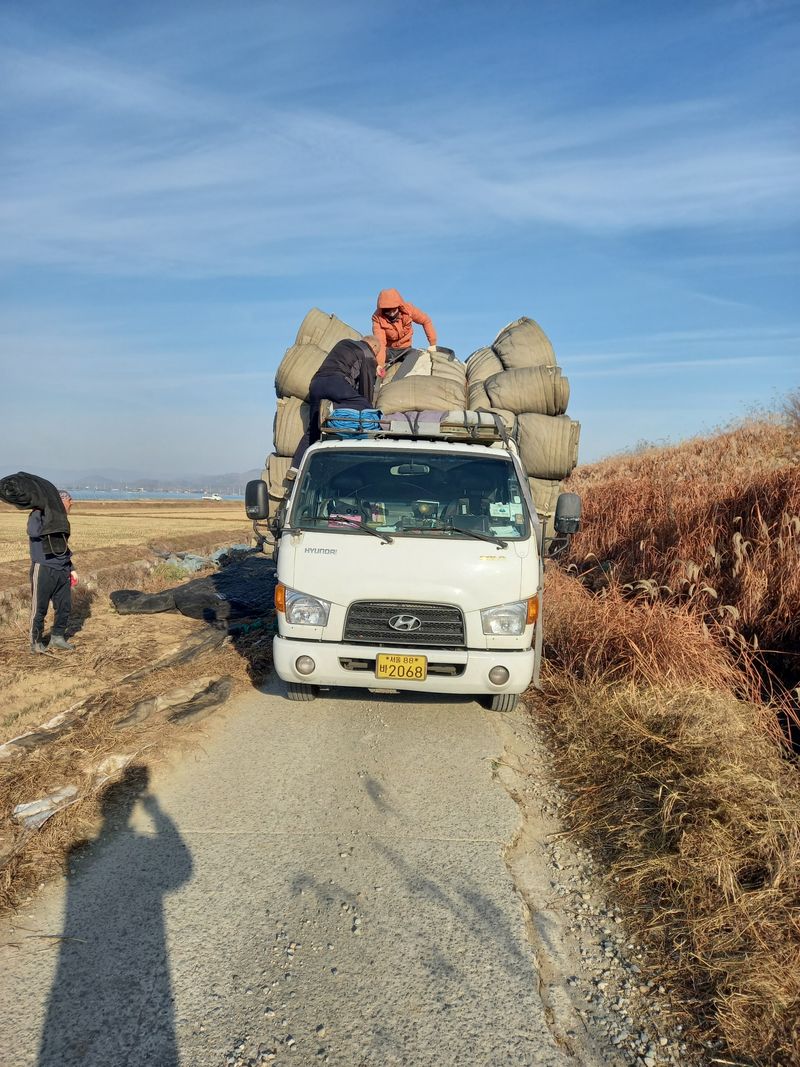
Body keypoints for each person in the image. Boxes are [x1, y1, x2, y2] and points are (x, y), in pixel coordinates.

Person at [289, 335, 380, 474]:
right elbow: (366, 388)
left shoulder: (344, 342)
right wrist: (367, 407)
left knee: (313, 428)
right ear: (373, 347)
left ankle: (295, 467)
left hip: (316, 383)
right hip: (336, 383)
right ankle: (333, 408)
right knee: (365, 406)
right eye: (376, 353)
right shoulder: (367, 353)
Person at [29, 489, 77, 653]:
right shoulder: (38, 514)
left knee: (64, 606)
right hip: (44, 568)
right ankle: (36, 642)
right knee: (39, 608)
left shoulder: (63, 521)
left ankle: (57, 637)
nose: (72, 503)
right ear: (61, 500)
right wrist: (46, 516)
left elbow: (62, 546)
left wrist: (71, 568)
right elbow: (33, 532)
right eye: (70, 499)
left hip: (62, 569)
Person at [372, 288, 437, 373]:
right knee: (372, 357)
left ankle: (398, 381)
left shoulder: (409, 310)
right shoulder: (377, 318)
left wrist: (432, 344)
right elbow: (380, 342)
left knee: (415, 355)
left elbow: (426, 320)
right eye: (388, 311)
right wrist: (380, 364)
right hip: (389, 350)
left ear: (399, 306)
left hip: (406, 349)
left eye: (394, 310)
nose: (391, 314)